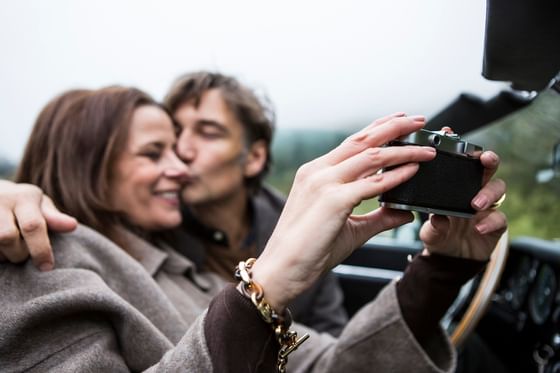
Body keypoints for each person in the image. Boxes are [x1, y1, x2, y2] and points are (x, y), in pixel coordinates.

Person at [0, 86, 507, 372]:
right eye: (155, 153)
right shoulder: (36, 255)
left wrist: (440, 271)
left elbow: (328, 367)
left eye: (181, 148)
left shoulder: (181, 265)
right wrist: (261, 289)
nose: (182, 165)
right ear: (85, 165)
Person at [163, 71, 347, 335]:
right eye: (175, 132)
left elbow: (332, 336)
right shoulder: (155, 228)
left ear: (254, 157)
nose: (182, 150)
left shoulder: (297, 225)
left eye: (208, 133)